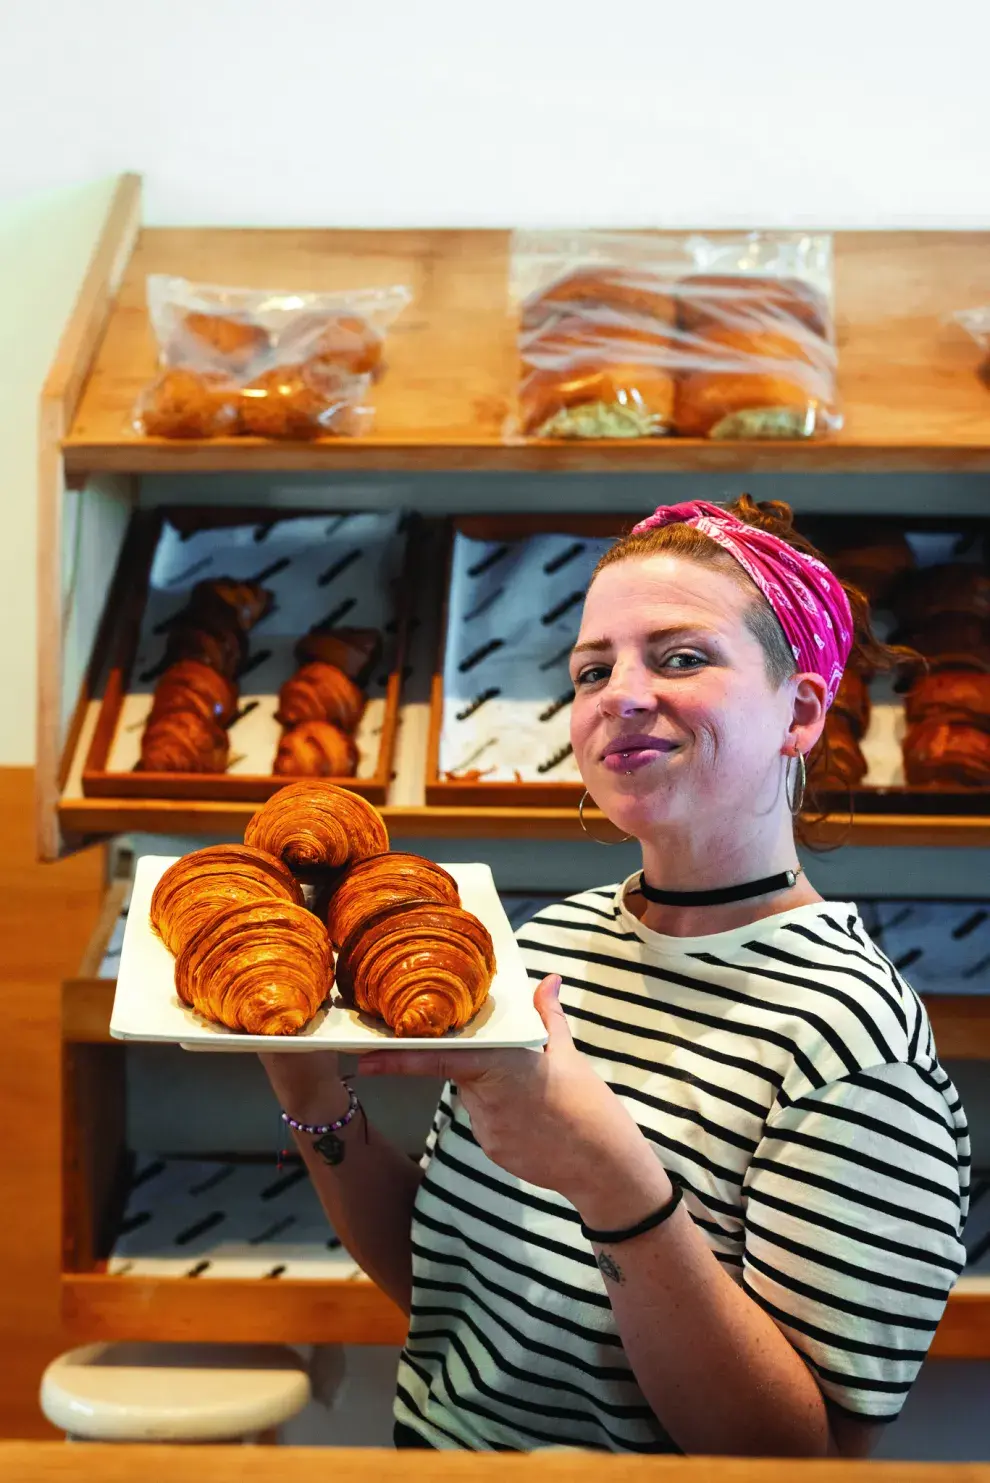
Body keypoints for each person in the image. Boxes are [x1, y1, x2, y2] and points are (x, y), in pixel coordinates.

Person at [261, 495, 969, 1457]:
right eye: (594, 668)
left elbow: (806, 1456)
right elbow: (451, 1290)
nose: (619, 694)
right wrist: (312, 1092)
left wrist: (613, 1181)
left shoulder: (854, 1041)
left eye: (681, 657)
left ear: (800, 710)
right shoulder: (547, 946)